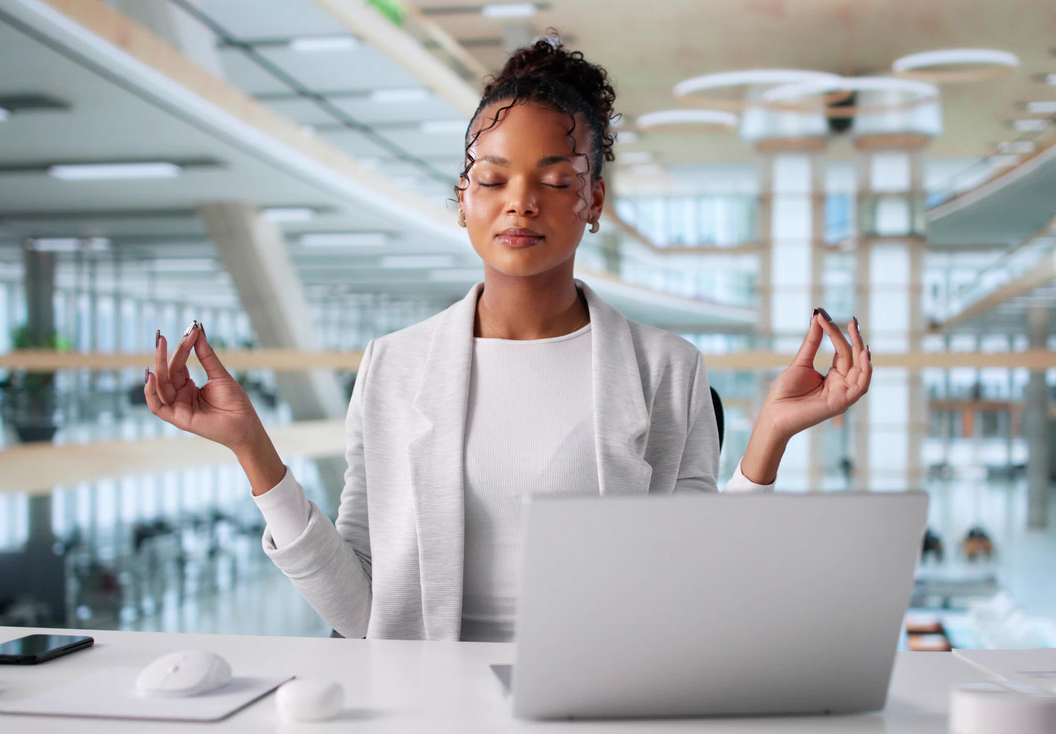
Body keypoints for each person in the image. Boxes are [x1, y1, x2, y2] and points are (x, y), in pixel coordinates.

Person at [144, 36, 871, 642]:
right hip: (432, 713)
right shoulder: (393, 367)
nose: (519, 200)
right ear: (462, 200)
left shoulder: (664, 368)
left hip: (605, 703)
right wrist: (252, 448)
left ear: (593, 202)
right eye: (491, 178)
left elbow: (694, 587)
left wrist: (768, 436)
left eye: (555, 179)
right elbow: (365, 612)